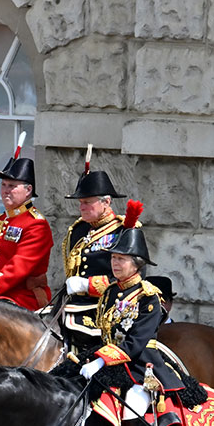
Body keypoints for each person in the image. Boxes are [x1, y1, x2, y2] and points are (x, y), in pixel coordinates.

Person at [67, 203, 206, 426]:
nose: (115, 264)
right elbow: (102, 331)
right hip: (107, 361)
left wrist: (100, 361)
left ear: (138, 264)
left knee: (136, 408)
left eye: (122, 259)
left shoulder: (148, 297)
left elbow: (134, 344)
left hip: (142, 367)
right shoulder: (108, 294)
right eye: (113, 258)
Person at [59, 150, 124, 360]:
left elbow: (125, 280)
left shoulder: (122, 232)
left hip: (106, 306)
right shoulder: (78, 230)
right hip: (72, 303)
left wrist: (87, 285)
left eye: (88, 202)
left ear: (106, 202)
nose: (82, 207)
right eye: (80, 203)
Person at [0, 137, 51, 309]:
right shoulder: (1, 219)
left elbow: (19, 267)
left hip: (23, 297)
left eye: (12, 185)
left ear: (28, 190)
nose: (6, 190)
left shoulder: (36, 225)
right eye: (3, 185)